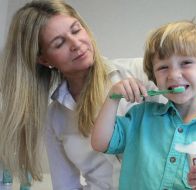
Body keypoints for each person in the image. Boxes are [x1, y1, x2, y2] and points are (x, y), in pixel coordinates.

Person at [0, 0, 160, 189]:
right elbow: (65, 185)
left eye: (76, 30)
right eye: (59, 43)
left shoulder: (142, 73)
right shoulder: (54, 119)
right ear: (43, 59)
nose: (76, 44)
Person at [91, 20, 196, 189]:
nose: (174, 75)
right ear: (154, 78)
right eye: (163, 67)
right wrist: (113, 97)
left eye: (186, 63)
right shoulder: (140, 116)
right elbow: (100, 142)